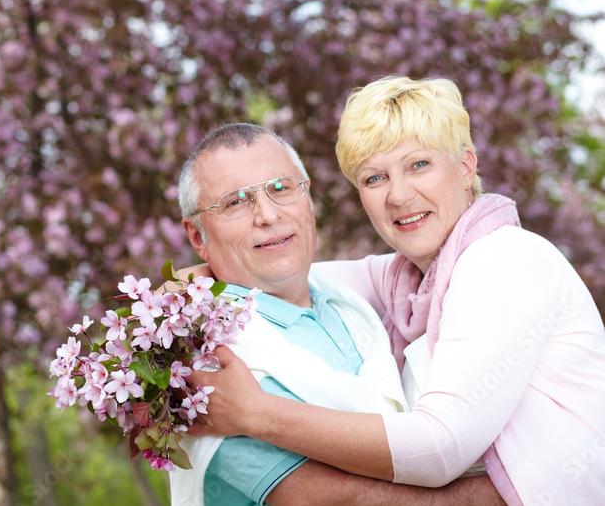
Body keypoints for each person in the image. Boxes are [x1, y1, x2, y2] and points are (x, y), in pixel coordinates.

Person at [187, 77, 605, 505]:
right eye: (374, 178)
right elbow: (291, 270)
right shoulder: (413, 278)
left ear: (465, 167)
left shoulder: (505, 259)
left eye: (419, 165)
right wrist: (179, 293)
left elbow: (440, 447)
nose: (400, 195)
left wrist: (256, 413)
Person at [168, 121, 505, 505]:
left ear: (308, 201)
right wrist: (513, 491)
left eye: (281, 188)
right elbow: (334, 500)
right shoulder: (203, 353)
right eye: (235, 202)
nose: (268, 215)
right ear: (198, 237)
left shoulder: (351, 305)